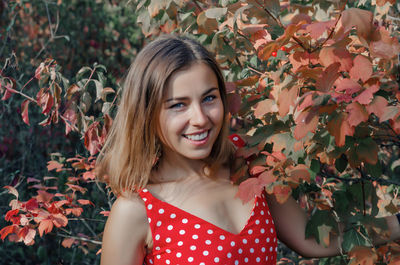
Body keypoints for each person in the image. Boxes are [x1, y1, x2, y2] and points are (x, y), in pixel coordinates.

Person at [96, 35, 400, 265]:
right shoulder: (137, 211)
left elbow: (316, 239)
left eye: (209, 98)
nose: (200, 118)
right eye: (178, 105)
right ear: (147, 113)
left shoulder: (246, 166)